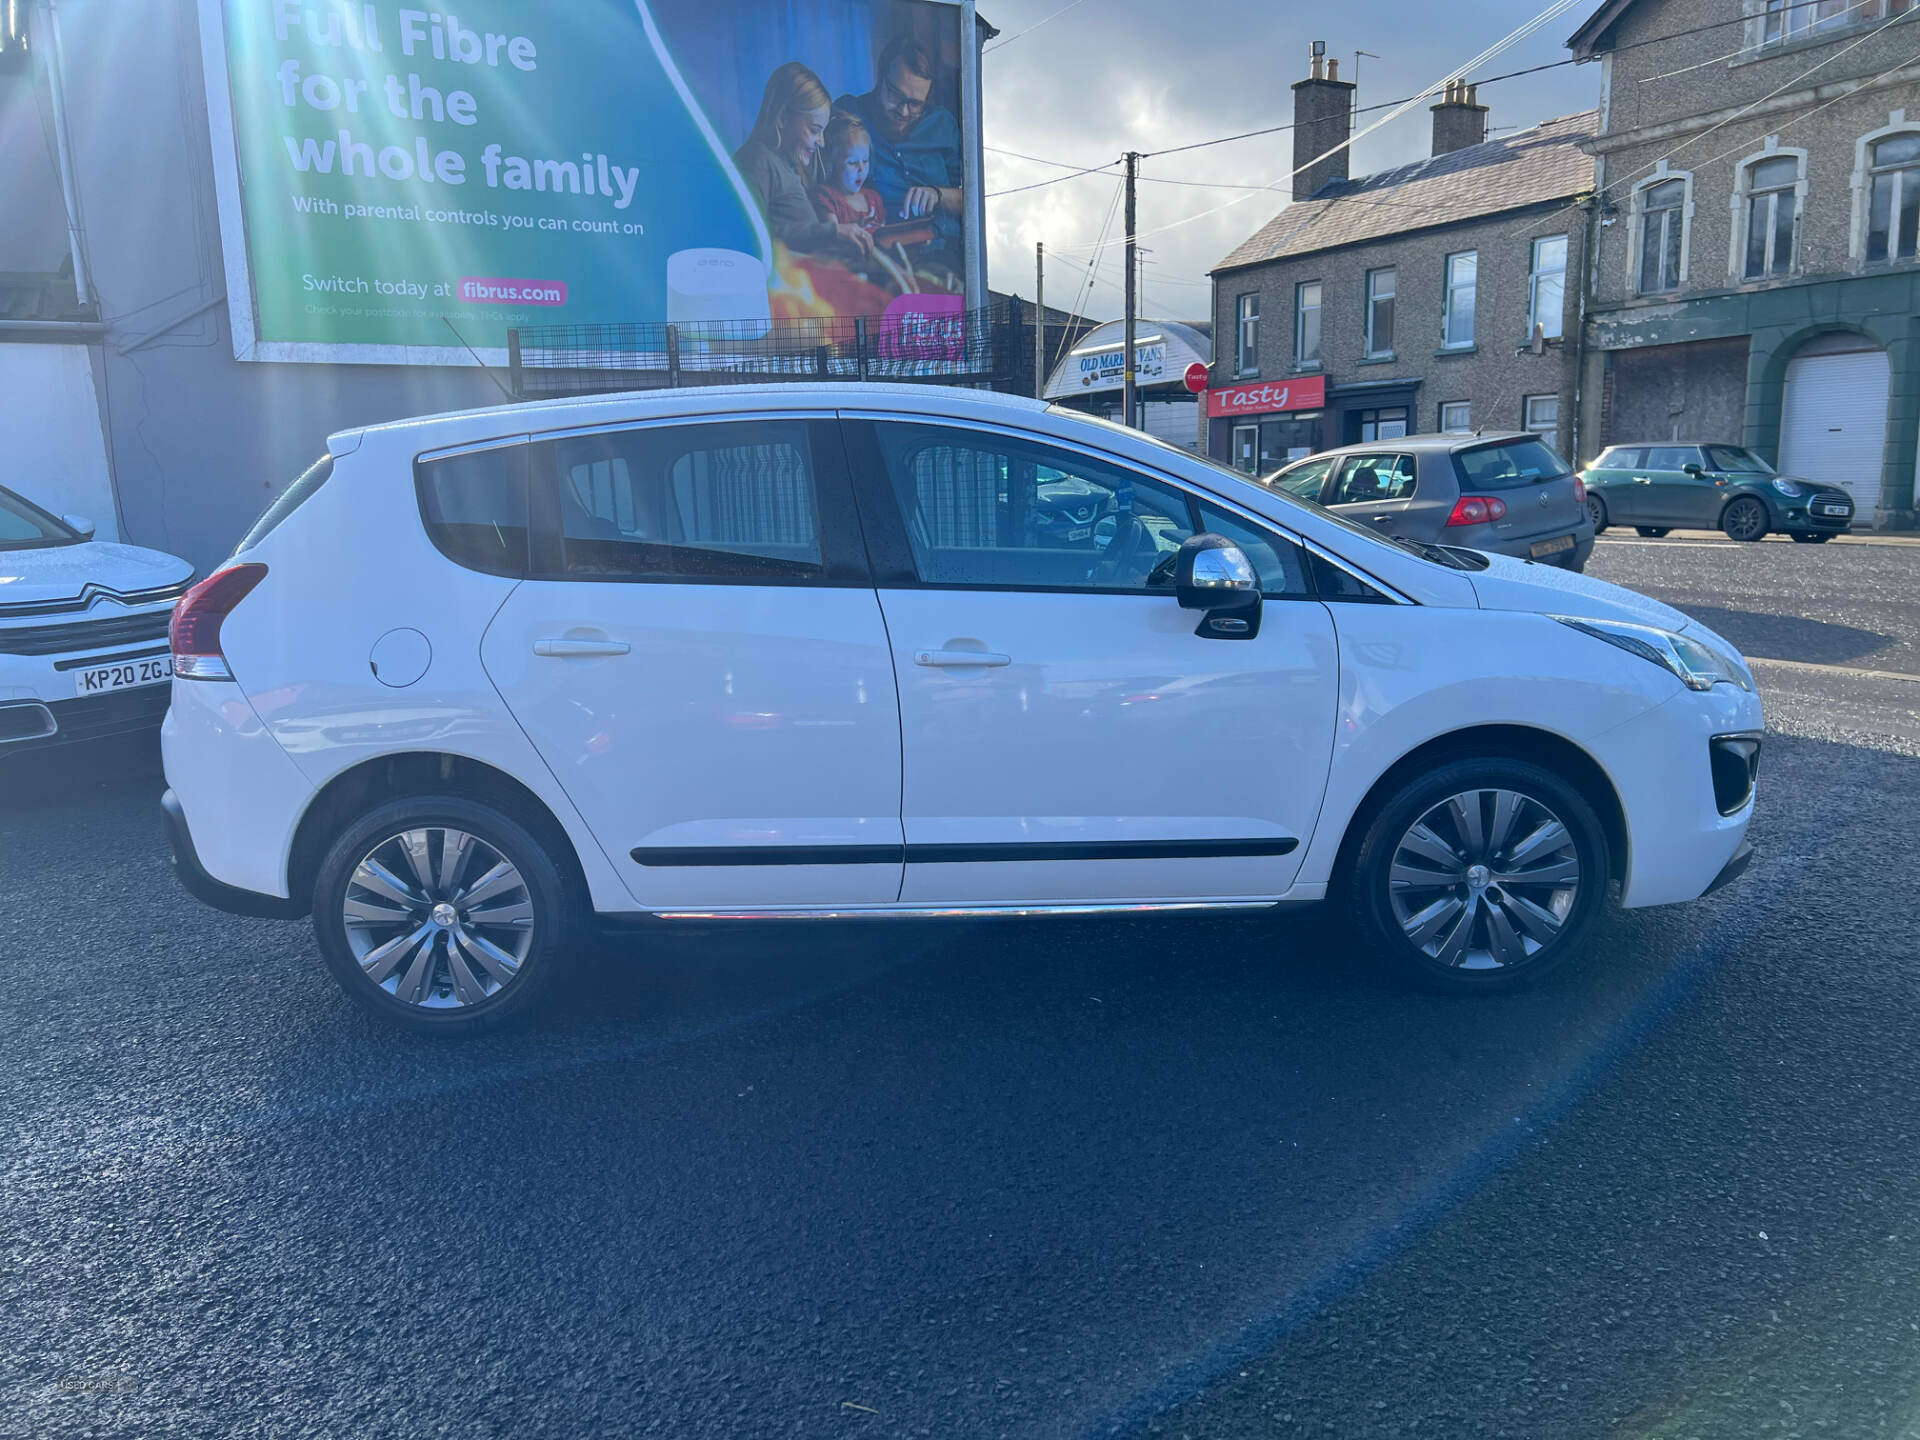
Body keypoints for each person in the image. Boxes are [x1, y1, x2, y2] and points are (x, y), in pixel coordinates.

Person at [732, 61, 875, 262]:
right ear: (782, 118)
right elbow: (749, 238)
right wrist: (832, 232)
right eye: (815, 130)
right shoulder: (757, 161)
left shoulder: (789, 163)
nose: (822, 142)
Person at [836, 37, 963, 256]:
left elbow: (971, 200)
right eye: (896, 95)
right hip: (872, 255)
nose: (904, 112)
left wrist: (938, 194)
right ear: (880, 77)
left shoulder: (943, 123)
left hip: (943, 252)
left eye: (915, 104)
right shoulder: (848, 113)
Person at [813, 112, 886, 235]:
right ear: (832, 163)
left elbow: (886, 237)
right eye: (852, 163)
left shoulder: (875, 199)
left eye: (865, 161)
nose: (861, 169)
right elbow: (833, 238)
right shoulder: (826, 197)